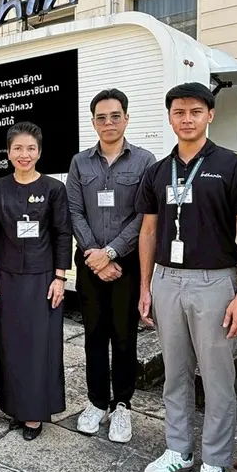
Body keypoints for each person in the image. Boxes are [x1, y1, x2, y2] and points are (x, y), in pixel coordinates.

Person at [135, 82, 237, 472]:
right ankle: (178, 449)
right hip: (167, 280)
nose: (186, 118)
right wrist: (145, 286)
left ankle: (215, 462)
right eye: (178, 111)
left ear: (210, 115)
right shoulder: (157, 171)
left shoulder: (233, 165)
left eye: (194, 111)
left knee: (216, 376)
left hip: (215, 282)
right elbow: (149, 231)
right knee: (174, 371)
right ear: (169, 117)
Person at [66, 89, 156, 443]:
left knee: (123, 336)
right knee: (93, 336)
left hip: (127, 265)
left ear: (126, 119)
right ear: (93, 122)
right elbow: (74, 211)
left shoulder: (146, 161)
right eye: (101, 117)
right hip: (90, 264)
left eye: (115, 116)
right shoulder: (79, 162)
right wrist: (94, 253)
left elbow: (145, 217)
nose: (108, 123)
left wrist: (113, 253)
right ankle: (96, 402)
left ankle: (122, 406)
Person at [0, 121, 72, 441]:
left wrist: (60, 277)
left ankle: (34, 414)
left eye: (30, 148)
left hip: (42, 279)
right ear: (8, 153)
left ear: (40, 152)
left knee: (38, 348)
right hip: (6, 279)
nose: (24, 154)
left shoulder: (53, 189)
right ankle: (14, 407)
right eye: (18, 148)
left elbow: (64, 235)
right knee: (10, 346)